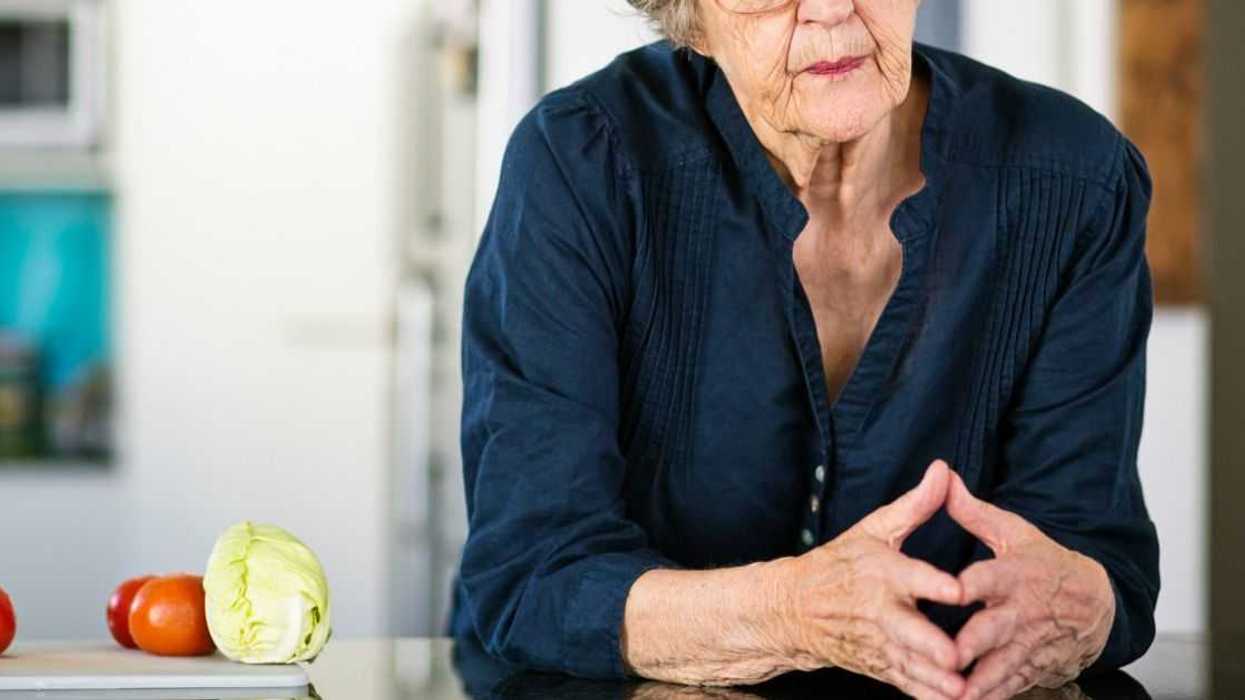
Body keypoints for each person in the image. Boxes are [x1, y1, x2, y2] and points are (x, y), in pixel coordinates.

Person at [447, 1, 1160, 699]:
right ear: (688, 14)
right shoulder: (583, 160)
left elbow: (1097, 557)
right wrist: (795, 614)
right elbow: (533, 574)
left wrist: (1078, 601)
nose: (828, 9)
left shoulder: (1074, 178)